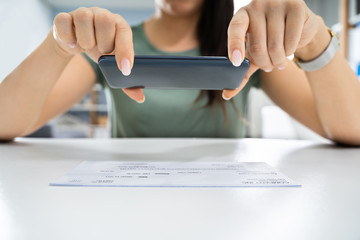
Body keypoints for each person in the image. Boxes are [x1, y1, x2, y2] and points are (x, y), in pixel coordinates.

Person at [0, 0, 359, 145]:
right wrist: (59, 44)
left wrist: (313, 40)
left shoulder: (247, 49)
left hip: (222, 207)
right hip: (125, 203)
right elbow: (6, 123)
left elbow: (352, 130)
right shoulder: (108, 47)